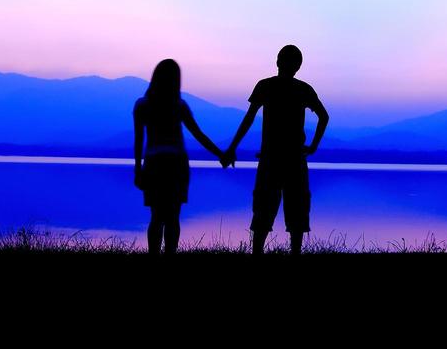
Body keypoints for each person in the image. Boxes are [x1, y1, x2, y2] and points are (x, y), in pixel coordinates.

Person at [223, 45, 329, 255]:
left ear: (278, 61)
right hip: (293, 159)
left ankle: (258, 254)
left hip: (273, 159)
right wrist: (313, 146)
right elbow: (324, 117)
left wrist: (232, 147)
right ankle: (293, 254)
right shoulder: (302, 89)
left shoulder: (266, 86)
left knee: (265, 209)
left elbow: (249, 118)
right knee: (294, 212)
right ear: (298, 66)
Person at [133, 58, 224, 256]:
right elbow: (199, 135)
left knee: (156, 216)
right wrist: (221, 155)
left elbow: (139, 141)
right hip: (176, 165)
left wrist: (138, 169)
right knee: (173, 216)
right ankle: (170, 254)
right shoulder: (179, 105)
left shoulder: (142, 105)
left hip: (154, 164)